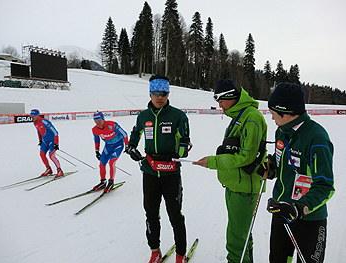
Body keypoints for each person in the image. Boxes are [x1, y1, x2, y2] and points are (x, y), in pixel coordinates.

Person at [193, 79, 267, 263]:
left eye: (220, 100)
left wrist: (213, 161)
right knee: (242, 234)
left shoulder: (252, 117)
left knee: (236, 237)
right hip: (234, 185)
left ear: (230, 97)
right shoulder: (239, 116)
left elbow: (246, 157)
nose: (219, 106)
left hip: (245, 188)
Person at [266, 83, 335, 263]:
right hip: (281, 211)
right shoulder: (282, 132)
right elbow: (280, 162)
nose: (271, 116)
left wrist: (299, 207)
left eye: (273, 112)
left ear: (287, 112)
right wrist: (270, 167)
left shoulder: (316, 137)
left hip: (309, 218)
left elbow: (325, 186)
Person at [125, 75, 192, 263]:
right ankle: (154, 251)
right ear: (150, 93)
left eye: (164, 93)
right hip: (150, 172)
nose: (160, 97)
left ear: (168, 93)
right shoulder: (143, 116)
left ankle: (180, 254)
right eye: (156, 93)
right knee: (151, 213)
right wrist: (131, 147)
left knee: (175, 215)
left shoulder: (178, 116)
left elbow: (184, 143)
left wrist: (179, 152)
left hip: (170, 172)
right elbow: (135, 134)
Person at [91, 111, 128, 193]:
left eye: (99, 120)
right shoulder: (95, 130)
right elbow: (96, 140)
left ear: (103, 119)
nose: (98, 122)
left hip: (118, 145)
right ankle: (103, 182)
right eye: (95, 120)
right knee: (102, 163)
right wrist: (97, 151)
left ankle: (111, 181)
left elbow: (124, 134)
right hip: (108, 147)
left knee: (111, 162)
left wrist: (127, 146)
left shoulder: (112, 125)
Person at [30, 109, 63, 177]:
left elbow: (55, 132)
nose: (32, 118)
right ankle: (48, 169)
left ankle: (59, 170)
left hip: (52, 141)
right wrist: (40, 140)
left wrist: (56, 143)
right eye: (31, 116)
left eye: (33, 116)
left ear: (37, 115)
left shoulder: (44, 122)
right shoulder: (35, 123)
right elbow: (38, 132)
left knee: (51, 156)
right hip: (45, 142)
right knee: (42, 154)